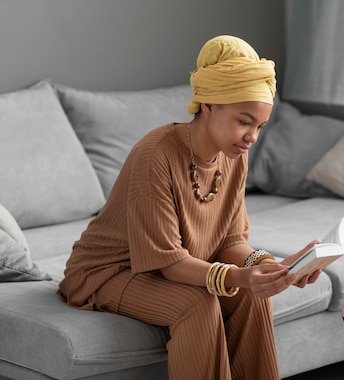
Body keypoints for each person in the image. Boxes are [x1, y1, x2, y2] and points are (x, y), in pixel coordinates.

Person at [58, 35, 322, 380]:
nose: (252, 137)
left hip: (169, 267)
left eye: (259, 126)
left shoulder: (234, 156)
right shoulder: (155, 154)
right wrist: (240, 276)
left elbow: (229, 242)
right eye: (244, 122)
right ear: (209, 104)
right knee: (198, 304)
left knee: (250, 297)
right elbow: (169, 262)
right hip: (109, 271)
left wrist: (274, 268)